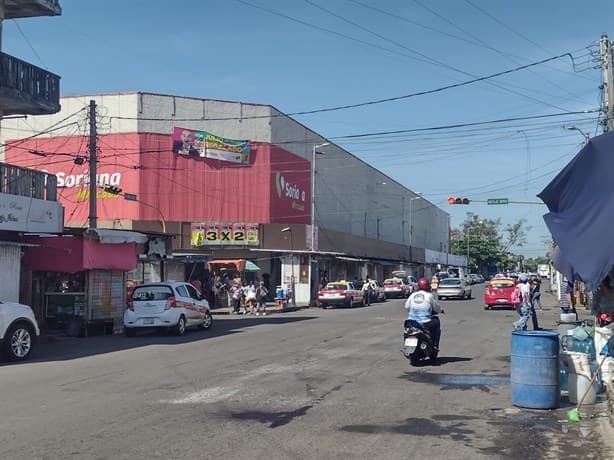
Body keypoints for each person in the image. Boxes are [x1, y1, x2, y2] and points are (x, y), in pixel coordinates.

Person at [404, 277, 442, 349]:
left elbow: (406, 306)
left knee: (407, 330)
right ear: (428, 286)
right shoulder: (429, 296)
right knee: (436, 321)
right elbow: (437, 309)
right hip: (425, 323)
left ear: (418, 286)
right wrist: (441, 310)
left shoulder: (413, 295)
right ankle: (435, 345)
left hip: (411, 322)